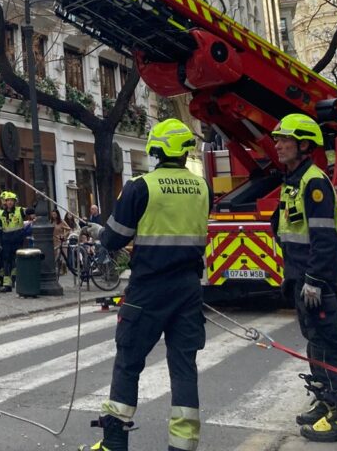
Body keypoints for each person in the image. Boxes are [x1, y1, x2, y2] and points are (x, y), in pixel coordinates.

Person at [86, 119, 210, 451]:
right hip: (188, 288)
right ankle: (183, 445)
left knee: (128, 361)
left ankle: (114, 442)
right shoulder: (202, 187)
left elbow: (113, 239)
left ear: (156, 149)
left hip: (149, 288)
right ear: (185, 151)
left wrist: (99, 233)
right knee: (184, 366)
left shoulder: (141, 186)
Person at [270, 113, 337, 443]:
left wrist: (312, 279)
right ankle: (325, 405)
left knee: (330, 348)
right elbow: (282, 227)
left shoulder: (314, 182)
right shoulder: (292, 181)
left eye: (284, 139)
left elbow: (323, 240)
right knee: (315, 346)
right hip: (303, 280)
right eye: (277, 138)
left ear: (304, 145)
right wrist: (292, 275)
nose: (277, 144)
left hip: (319, 284)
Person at [0, 191, 29, 293]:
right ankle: (7, 285)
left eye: (12, 200)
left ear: (15, 202)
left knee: (16, 261)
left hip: (18, 240)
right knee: (6, 262)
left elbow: (29, 211)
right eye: (7, 200)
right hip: (6, 241)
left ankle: (16, 280)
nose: (9, 202)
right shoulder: (0, 213)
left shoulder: (19, 210)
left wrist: (34, 207)